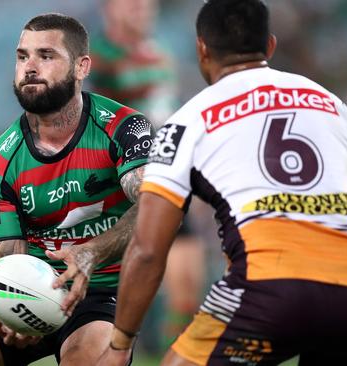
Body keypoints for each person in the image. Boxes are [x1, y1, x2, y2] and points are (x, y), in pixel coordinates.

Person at [96, 0, 347, 365]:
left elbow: (149, 249)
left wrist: (119, 344)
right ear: (271, 46)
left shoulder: (187, 121)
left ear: (201, 48)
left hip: (266, 289)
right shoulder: (331, 104)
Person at [0, 13, 153, 366]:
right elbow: (9, 258)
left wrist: (91, 253)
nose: (30, 67)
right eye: (22, 56)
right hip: (34, 283)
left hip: (103, 290)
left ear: (81, 67)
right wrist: (14, 306)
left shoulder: (125, 128)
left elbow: (155, 208)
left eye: (46, 56)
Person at [88, 0, 207, 349]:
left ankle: (174, 353)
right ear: (111, 9)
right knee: (107, 287)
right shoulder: (98, 57)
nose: (142, 11)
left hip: (166, 176)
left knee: (188, 283)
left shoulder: (161, 53)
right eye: (133, 5)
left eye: (147, 5)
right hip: (120, 182)